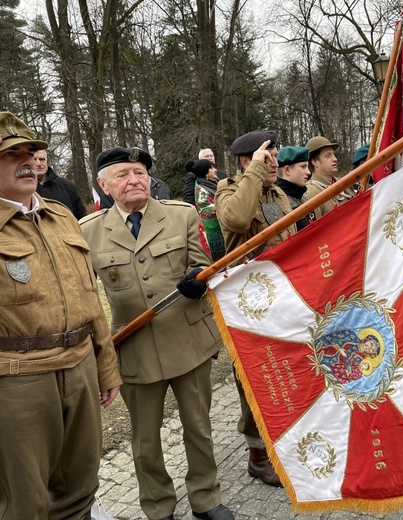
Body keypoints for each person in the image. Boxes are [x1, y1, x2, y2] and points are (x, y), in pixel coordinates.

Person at [80, 147, 234, 520]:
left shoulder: (181, 214)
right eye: (122, 175)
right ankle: (158, 505)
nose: (134, 180)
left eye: (139, 172)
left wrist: (201, 278)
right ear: (102, 184)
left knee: (198, 427)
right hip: (133, 348)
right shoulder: (88, 232)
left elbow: (203, 263)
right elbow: (85, 297)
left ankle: (206, 498)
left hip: (188, 341)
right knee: (145, 440)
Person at [0, 112, 121, 519]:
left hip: (80, 366)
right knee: (25, 499)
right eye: (12, 153)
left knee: (80, 484)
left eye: (32, 152)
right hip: (17, 381)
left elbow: (89, 296)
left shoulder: (60, 214)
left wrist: (105, 365)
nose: (29, 161)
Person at [215, 130, 295, 487]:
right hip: (248, 303)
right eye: (269, 156)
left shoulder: (276, 192)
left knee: (286, 368)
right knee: (251, 375)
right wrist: (255, 175)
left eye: (276, 155)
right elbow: (234, 220)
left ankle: (281, 438)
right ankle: (256, 454)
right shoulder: (229, 190)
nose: (276, 162)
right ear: (248, 161)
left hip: (283, 294)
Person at [187, 159, 225, 261]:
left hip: (222, 228)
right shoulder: (201, 190)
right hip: (213, 234)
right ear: (205, 173)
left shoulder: (212, 183)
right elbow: (206, 210)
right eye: (211, 168)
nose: (215, 170)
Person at [33, 149, 88, 219]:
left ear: (47, 161)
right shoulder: (22, 192)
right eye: (34, 159)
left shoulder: (68, 187)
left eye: (42, 159)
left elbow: (82, 219)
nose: (38, 163)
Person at [305, 135, 350, 218]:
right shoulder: (311, 192)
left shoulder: (344, 184)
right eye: (328, 156)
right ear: (315, 162)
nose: (335, 159)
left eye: (333, 154)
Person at [276, 145, 314, 230]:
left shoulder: (302, 197)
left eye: (307, 167)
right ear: (287, 170)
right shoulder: (278, 203)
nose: (308, 172)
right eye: (303, 167)